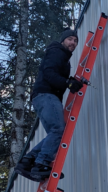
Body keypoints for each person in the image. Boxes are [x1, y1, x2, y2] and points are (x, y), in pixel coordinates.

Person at [15, 29, 84, 181]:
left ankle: (27, 161)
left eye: (75, 41)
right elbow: (49, 72)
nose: (73, 42)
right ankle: (41, 164)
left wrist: (69, 81)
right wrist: (67, 82)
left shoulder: (62, 56)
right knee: (58, 130)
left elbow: (53, 73)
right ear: (63, 41)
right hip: (47, 95)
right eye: (70, 39)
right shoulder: (57, 52)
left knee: (55, 132)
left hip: (43, 97)